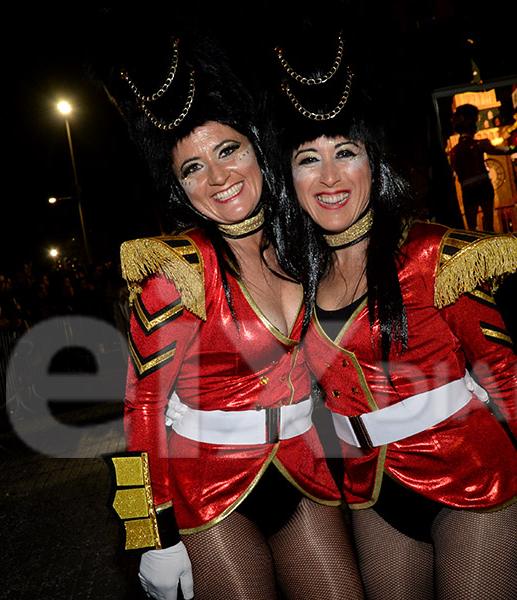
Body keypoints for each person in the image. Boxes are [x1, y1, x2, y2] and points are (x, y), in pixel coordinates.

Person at [269, 30, 517, 600]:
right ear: (290, 182)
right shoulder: (295, 277)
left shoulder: (434, 255)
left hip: (472, 479)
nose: (328, 178)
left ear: (374, 161)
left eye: (346, 152)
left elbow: (511, 382)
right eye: (307, 160)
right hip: (374, 493)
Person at [89, 23, 362, 600]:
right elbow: (144, 407)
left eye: (228, 150)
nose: (217, 178)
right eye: (192, 168)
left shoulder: (305, 245)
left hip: (302, 469)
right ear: (179, 186)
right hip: (209, 488)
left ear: (258, 150)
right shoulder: (176, 271)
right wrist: (154, 534)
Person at [449, 103, 517, 232]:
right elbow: (500, 150)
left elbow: (452, 174)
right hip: (484, 185)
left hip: (467, 188)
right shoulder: (480, 144)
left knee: (472, 227)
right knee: (489, 223)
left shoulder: (454, 152)